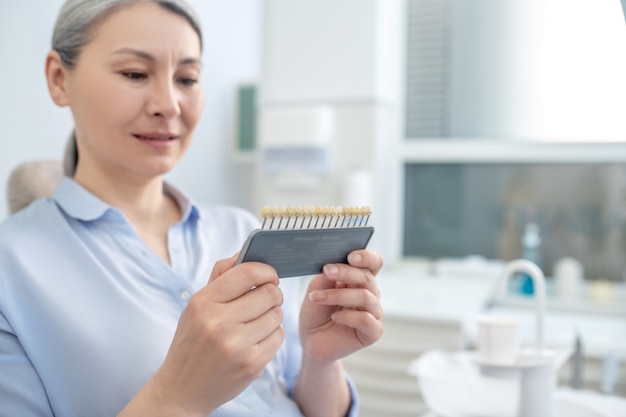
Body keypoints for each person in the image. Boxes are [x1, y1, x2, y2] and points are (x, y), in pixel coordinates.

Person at [0, 1, 384, 416]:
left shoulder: (243, 230)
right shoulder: (13, 270)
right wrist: (178, 395)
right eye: (134, 73)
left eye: (187, 78)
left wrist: (321, 360)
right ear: (59, 79)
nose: (169, 104)